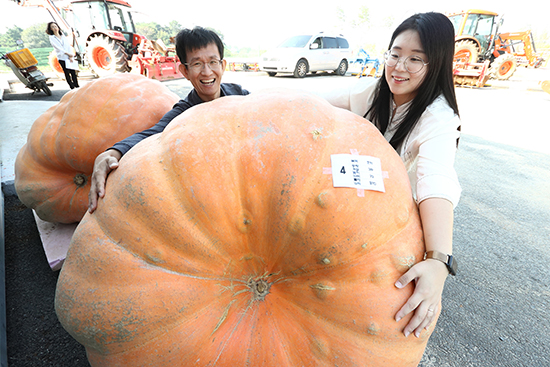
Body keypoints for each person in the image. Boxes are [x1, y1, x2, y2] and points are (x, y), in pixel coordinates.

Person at [324, 12, 461, 339]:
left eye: (415, 59)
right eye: (395, 54)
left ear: (436, 65)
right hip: (355, 205)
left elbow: (436, 182)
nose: (399, 67)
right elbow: (322, 107)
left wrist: (439, 260)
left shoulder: (438, 118)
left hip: (393, 225)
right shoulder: (376, 94)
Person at [88, 26, 250, 213]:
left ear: (222, 65)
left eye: (213, 62)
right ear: (184, 71)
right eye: (197, 64)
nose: (207, 72)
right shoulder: (183, 112)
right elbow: (152, 134)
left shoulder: (239, 94)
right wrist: (112, 153)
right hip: (215, 189)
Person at [46, 22, 79, 89]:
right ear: (50, 29)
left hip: (69, 56)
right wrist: (68, 54)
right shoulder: (52, 37)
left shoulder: (63, 36)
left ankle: (77, 85)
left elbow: (68, 46)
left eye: (56, 26)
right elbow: (58, 48)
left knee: (73, 72)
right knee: (67, 73)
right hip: (62, 57)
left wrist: (71, 55)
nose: (55, 28)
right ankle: (72, 87)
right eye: (53, 27)